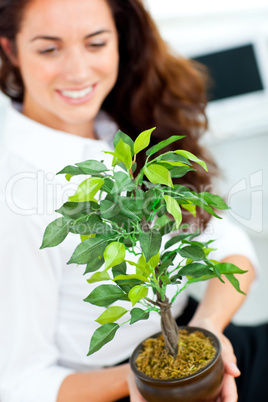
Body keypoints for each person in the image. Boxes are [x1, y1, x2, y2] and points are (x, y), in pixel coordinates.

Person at [0, 0, 266, 401]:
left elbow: (229, 245)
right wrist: (145, 378)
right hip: (124, 386)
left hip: (200, 333)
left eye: (96, 43)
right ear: (10, 49)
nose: (77, 70)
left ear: (120, 41)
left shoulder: (123, 122)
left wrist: (209, 332)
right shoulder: (15, 189)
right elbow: (20, 385)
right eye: (49, 48)